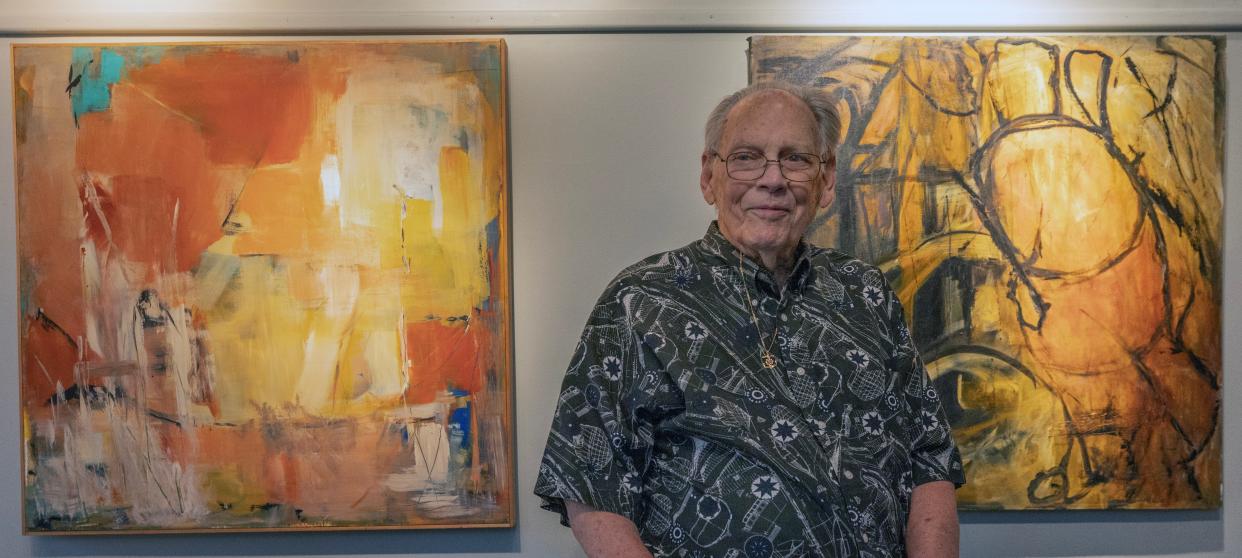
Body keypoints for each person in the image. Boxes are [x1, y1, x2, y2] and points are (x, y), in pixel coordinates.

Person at [534, 81, 964, 557]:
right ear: (708, 176)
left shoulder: (866, 294)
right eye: (746, 156)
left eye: (796, 159)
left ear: (825, 181)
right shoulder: (639, 302)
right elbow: (590, 488)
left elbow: (929, 460)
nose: (773, 179)